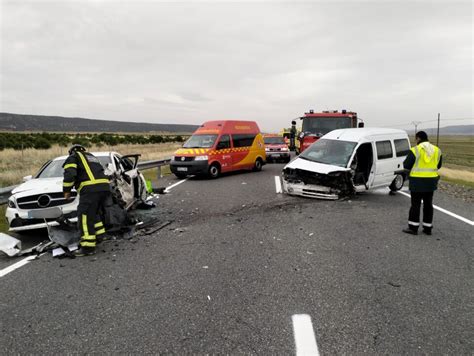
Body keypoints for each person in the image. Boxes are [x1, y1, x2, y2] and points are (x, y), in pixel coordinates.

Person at [63, 144, 111, 256]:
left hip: (90, 189)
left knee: (84, 215)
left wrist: (66, 191)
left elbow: (70, 175)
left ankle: (88, 247)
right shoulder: (92, 157)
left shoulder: (73, 157)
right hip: (104, 188)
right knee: (94, 213)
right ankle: (99, 236)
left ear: (71, 152)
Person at [402, 131, 442, 235]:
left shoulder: (415, 150)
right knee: (428, 204)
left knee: (415, 205)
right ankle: (427, 228)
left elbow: (406, 165)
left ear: (418, 138)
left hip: (417, 182)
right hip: (431, 182)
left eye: (416, 139)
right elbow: (438, 165)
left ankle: (413, 228)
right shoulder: (437, 150)